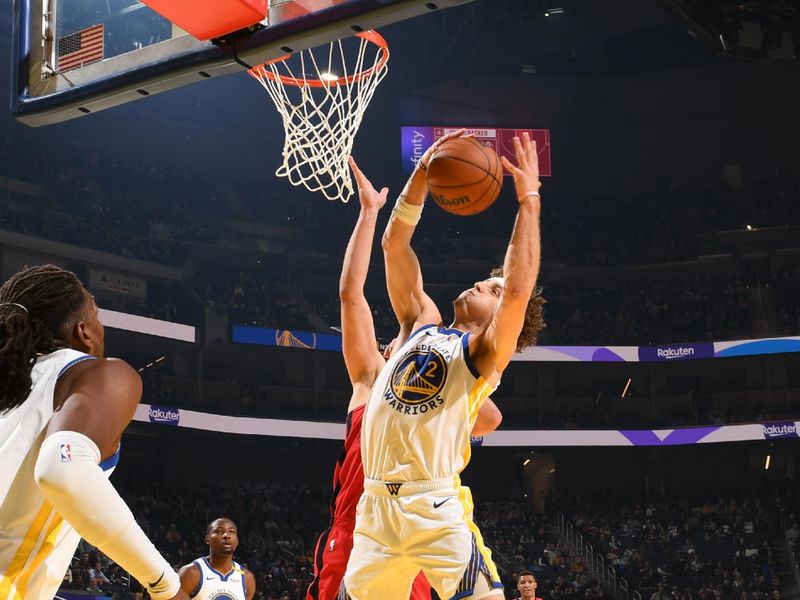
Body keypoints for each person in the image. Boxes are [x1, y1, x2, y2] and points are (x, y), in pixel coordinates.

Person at [343, 132, 545, 600]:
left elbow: (517, 290)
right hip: (374, 511)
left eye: (491, 289)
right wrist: (422, 173)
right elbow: (395, 245)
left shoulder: (484, 354)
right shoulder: (420, 322)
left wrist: (528, 201)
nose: (482, 283)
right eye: (486, 281)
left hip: (434, 507)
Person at [307, 158, 502, 600]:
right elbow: (350, 293)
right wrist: (369, 213)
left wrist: (452, 401)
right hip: (359, 528)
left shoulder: (444, 375)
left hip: (419, 524)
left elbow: (490, 416)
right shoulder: (370, 375)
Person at [0, 264, 188, 600]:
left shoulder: (10, 392)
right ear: (84, 331)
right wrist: (166, 586)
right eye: (97, 314)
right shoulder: (105, 374)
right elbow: (63, 468)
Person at [178, 517, 256, 600]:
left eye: (231, 532)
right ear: (208, 539)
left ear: (237, 541)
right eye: (219, 531)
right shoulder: (191, 573)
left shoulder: (247, 578)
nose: (226, 535)